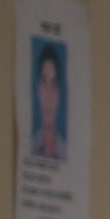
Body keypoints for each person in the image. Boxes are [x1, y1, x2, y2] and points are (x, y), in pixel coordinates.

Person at [28, 36, 70, 168]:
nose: (49, 95)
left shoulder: (66, 152)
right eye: (44, 83)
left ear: (60, 93)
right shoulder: (30, 146)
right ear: (37, 89)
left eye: (54, 84)